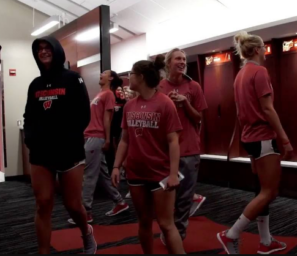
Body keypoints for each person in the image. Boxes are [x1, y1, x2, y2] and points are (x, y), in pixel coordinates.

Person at [217, 31, 293, 254]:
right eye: (265, 49)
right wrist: (284, 139)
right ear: (259, 49)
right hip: (263, 138)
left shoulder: (241, 75)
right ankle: (231, 234)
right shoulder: (259, 72)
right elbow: (268, 109)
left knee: (262, 190)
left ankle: (266, 241)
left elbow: (241, 113)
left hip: (250, 139)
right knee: (269, 192)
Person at [24, 36, 97, 254]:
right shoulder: (35, 85)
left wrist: (67, 137)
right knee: (43, 203)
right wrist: (30, 138)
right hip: (41, 153)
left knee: (73, 204)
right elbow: (29, 116)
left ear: (56, 50)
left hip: (69, 151)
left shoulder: (73, 79)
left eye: (48, 48)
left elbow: (84, 115)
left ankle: (87, 233)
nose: (44, 52)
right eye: (39, 49)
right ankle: (43, 251)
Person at [111, 59, 185, 254]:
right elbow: (124, 140)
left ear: (141, 77)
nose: (128, 78)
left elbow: (173, 141)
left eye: (131, 74)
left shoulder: (165, 104)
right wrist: (116, 166)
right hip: (136, 173)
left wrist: (173, 174)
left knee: (166, 224)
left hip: (160, 174)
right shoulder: (129, 106)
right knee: (143, 221)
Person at [158, 49, 208, 242]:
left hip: (189, 150)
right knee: (164, 195)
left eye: (184, 60)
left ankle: (178, 234)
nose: (182, 62)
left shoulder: (193, 86)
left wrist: (185, 102)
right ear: (168, 63)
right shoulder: (160, 87)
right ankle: (167, 227)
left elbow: (199, 118)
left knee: (184, 198)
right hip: (164, 151)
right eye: (178, 59)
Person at [67, 70, 129, 224]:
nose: (100, 74)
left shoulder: (108, 94)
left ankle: (86, 212)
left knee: (89, 175)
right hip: (90, 136)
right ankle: (120, 202)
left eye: (104, 73)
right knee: (102, 174)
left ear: (111, 78)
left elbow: (107, 119)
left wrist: (107, 139)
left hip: (97, 137)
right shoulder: (99, 94)